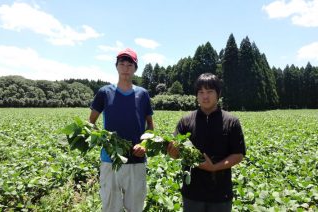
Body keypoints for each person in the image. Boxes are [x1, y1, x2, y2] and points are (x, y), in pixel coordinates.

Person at [167, 73, 246, 212]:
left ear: (218, 94)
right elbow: (175, 154)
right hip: (192, 193)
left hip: (221, 193)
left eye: (209, 92)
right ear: (196, 95)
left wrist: (214, 168)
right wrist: (172, 151)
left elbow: (238, 154)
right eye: (201, 92)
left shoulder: (231, 121)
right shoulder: (185, 121)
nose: (205, 96)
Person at [89, 48, 154, 212]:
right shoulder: (104, 92)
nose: (125, 67)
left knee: (136, 206)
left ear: (135, 68)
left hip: (136, 159)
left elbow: (150, 127)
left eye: (130, 64)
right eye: (122, 63)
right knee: (110, 205)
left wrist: (145, 144)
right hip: (110, 160)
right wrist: (104, 139)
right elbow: (90, 122)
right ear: (116, 66)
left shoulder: (143, 94)